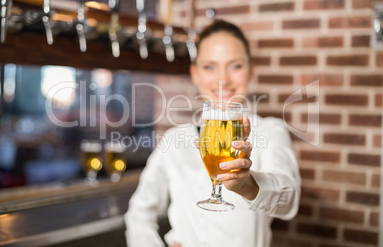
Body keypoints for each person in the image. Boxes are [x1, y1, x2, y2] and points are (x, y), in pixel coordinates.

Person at [124, 20, 301, 247]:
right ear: (195, 74)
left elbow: (289, 201)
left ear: (251, 71)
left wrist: (248, 185)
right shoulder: (173, 140)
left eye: (235, 66)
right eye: (210, 67)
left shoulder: (271, 130)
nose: (222, 80)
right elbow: (139, 213)